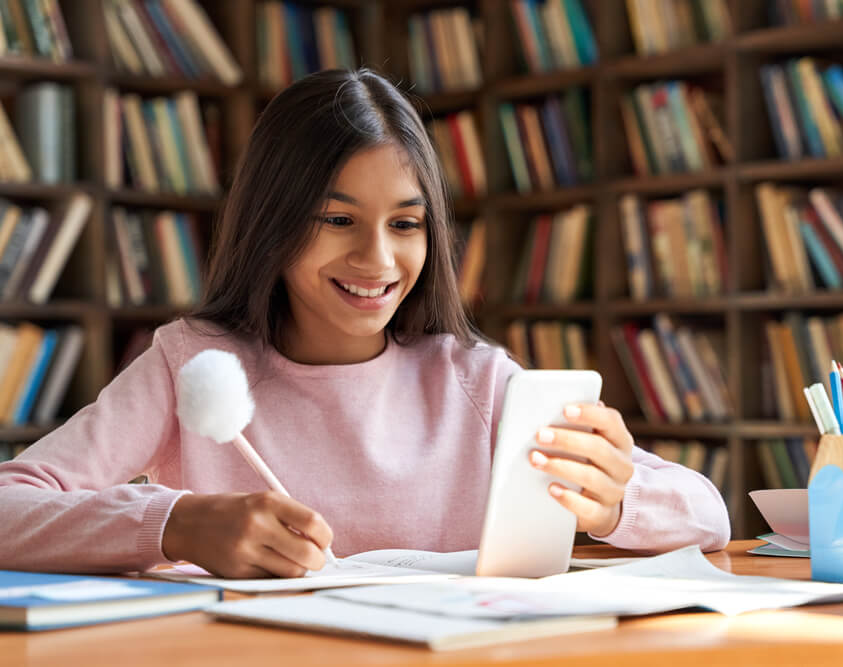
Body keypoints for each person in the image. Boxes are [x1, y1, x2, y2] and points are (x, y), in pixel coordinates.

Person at [0, 69, 729, 578]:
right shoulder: (191, 362)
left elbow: (708, 515)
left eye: (405, 223)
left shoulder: (473, 380)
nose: (377, 258)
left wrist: (616, 501)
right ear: (273, 222)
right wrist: (175, 522)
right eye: (337, 219)